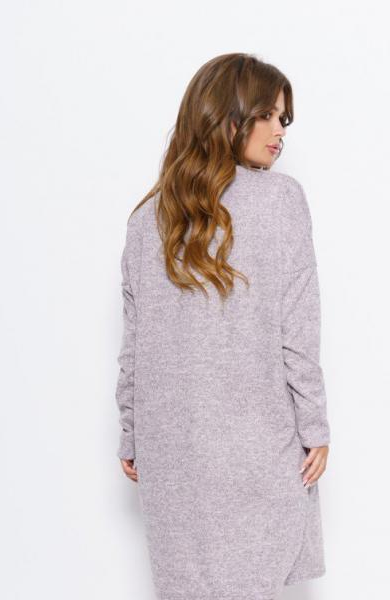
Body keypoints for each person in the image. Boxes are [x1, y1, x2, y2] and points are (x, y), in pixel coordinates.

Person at [114, 52, 331, 600]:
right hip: (253, 446)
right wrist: (314, 427)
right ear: (230, 117)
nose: (280, 131)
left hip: (171, 456)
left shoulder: (147, 219)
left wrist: (132, 433)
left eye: (284, 119)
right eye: (269, 115)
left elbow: (134, 347)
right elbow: (298, 328)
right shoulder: (281, 200)